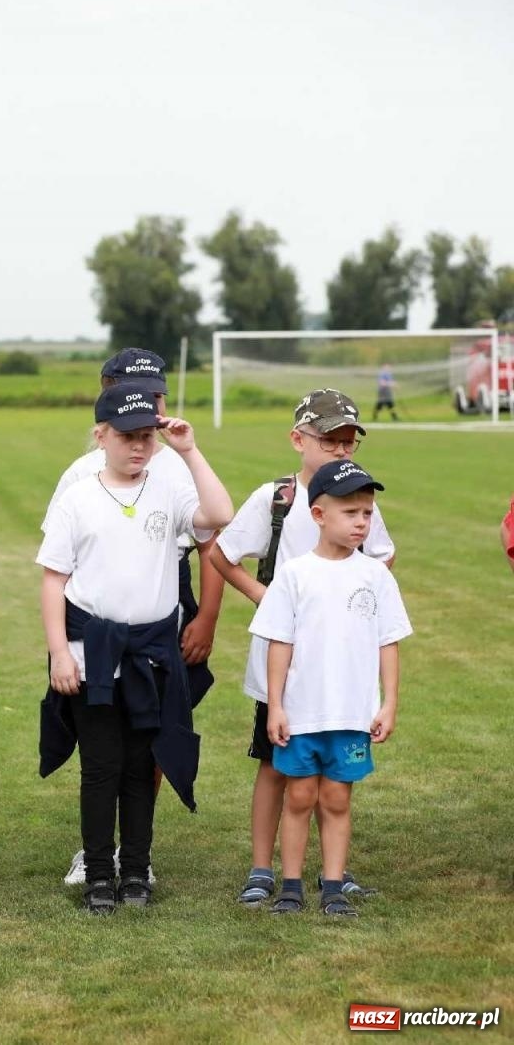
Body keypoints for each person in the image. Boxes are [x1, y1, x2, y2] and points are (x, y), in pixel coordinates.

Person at [37, 385, 232, 914]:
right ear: (101, 435)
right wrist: (59, 652)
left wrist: (189, 450)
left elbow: (221, 514)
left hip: (152, 654)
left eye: (147, 436)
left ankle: (137, 870)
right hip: (92, 652)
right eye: (126, 437)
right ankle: (100, 873)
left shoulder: (169, 492)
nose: (138, 447)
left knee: (142, 765)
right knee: (100, 765)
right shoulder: (78, 497)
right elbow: (54, 580)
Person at [209, 388, 396, 907]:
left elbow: (381, 558)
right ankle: (264, 869)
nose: (341, 450)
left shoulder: (359, 498)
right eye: (330, 439)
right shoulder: (276, 498)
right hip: (283, 664)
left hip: (338, 667)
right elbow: (223, 553)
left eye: (349, 441)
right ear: (299, 439)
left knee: (332, 770)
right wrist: (264, 597)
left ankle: (334, 874)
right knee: (276, 764)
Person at [253, 461, 410, 917]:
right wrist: (276, 705)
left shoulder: (376, 576)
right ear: (319, 515)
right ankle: (291, 885)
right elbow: (279, 643)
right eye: (350, 513)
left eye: (367, 513)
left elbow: (388, 642)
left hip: (352, 714)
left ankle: (336, 885)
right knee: (299, 795)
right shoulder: (295, 575)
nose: (361, 522)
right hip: (303, 712)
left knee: (337, 797)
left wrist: (390, 702)